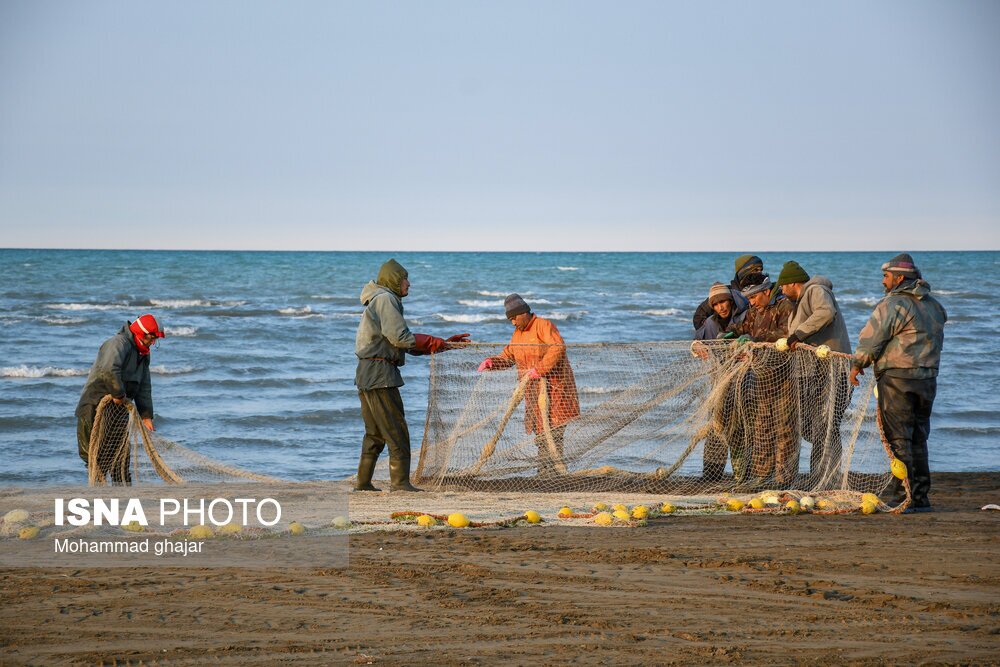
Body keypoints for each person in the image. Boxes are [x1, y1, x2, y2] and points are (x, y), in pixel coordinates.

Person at [354, 259, 469, 492]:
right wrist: (432, 341)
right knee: (397, 431)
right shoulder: (386, 299)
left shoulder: (379, 299)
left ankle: (363, 484)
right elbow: (400, 338)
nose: (409, 283)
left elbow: (401, 342)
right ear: (394, 280)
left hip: (368, 372)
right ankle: (400, 484)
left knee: (375, 433)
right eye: (405, 278)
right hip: (380, 373)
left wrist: (441, 344)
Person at [849, 253, 946, 512]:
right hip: (928, 378)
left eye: (886, 276)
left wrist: (857, 364)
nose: (883, 282)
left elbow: (871, 341)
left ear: (899, 278)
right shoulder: (935, 306)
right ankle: (920, 497)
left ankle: (903, 497)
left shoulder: (892, 305)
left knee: (898, 439)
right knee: (918, 437)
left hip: (897, 378)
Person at [477, 294, 580, 477]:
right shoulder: (518, 334)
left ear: (524, 313)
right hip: (533, 393)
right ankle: (544, 473)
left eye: (514, 318)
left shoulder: (543, 325)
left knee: (554, 432)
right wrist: (492, 362)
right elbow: (508, 356)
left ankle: (554, 473)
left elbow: (557, 347)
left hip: (556, 390)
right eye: (510, 320)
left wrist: (539, 369)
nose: (513, 323)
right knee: (539, 433)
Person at [776, 260, 852, 487]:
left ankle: (825, 478)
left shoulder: (816, 290)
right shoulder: (799, 302)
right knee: (812, 424)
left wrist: (797, 334)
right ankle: (821, 475)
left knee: (825, 423)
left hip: (831, 367)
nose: (780, 290)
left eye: (783, 285)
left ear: (793, 283)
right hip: (812, 369)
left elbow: (826, 312)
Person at [724, 273, 798, 487]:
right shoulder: (753, 311)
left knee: (785, 428)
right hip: (761, 376)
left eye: (755, 297)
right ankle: (761, 476)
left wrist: (755, 339)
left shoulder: (785, 307)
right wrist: (728, 334)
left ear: (766, 291)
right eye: (748, 298)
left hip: (785, 377)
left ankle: (783, 480)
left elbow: (787, 333)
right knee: (762, 426)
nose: (751, 302)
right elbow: (741, 329)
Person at [75, 314, 165, 485]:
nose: (153, 343)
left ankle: (122, 500)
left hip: (120, 408)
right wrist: (117, 394)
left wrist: (146, 415)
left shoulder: (143, 353)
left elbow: (144, 384)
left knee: (120, 460)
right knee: (95, 458)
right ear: (140, 333)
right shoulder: (118, 343)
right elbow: (109, 370)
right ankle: (97, 501)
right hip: (94, 407)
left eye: (155, 340)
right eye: (151, 338)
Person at [692, 254, 765, 332]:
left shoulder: (764, 291)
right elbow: (699, 317)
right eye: (755, 270)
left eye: (761, 270)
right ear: (743, 272)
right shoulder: (725, 293)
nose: (759, 273)